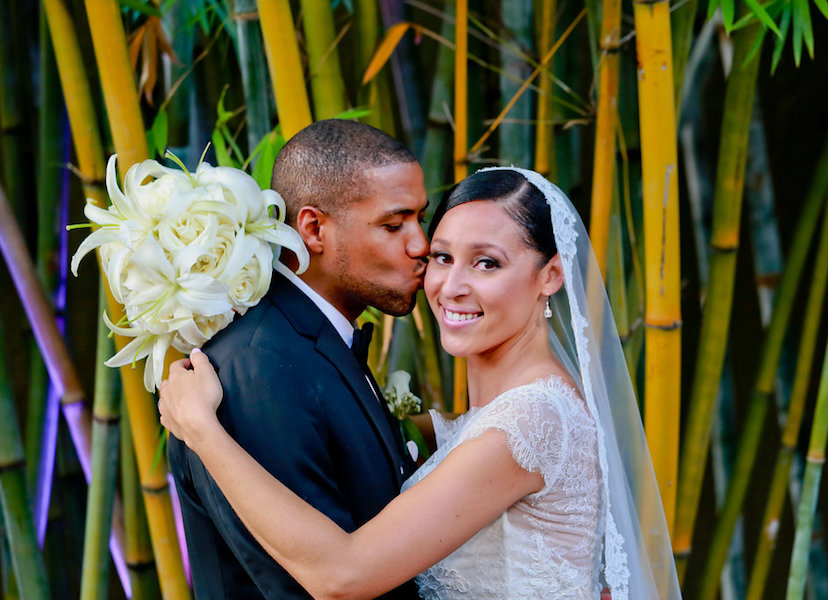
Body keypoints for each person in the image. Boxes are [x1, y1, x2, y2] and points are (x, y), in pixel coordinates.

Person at [160, 167, 682, 599]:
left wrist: (203, 430)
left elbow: (342, 576)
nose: (452, 286)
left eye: (487, 263)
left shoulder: (528, 423)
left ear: (550, 275)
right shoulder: (503, 418)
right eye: (442, 257)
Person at [166, 119, 428, 599]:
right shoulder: (261, 366)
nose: (420, 245)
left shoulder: (314, 341)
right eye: (393, 225)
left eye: (419, 219)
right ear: (313, 229)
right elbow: (300, 584)